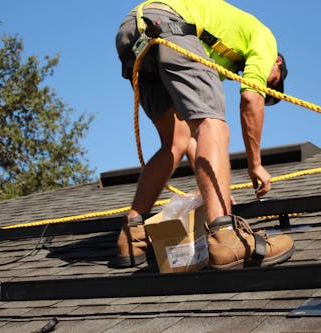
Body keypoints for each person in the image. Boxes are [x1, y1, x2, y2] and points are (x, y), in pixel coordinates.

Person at [114, 0, 295, 269]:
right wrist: (255, 164)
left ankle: (133, 234)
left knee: (175, 141)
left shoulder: (220, 57)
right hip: (168, 25)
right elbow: (250, 100)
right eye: (273, 84)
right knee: (215, 124)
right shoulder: (265, 39)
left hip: (130, 33)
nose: (267, 89)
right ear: (277, 63)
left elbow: (193, 139)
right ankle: (225, 236)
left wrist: (214, 190)